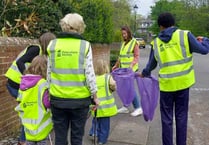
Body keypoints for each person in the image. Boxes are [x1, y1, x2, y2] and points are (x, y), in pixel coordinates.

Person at [139, 12, 209, 145]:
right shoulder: (184, 35)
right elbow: (204, 50)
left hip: (166, 87)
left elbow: (150, 66)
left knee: (166, 120)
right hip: (183, 85)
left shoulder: (156, 43)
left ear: (160, 26)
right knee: (181, 117)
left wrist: (143, 74)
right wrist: (205, 40)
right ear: (173, 23)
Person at [47, 13, 99, 145]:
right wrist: (95, 95)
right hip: (79, 101)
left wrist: (49, 93)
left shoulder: (52, 45)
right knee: (77, 137)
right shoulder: (85, 46)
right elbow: (89, 74)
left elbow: (49, 73)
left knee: (60, 137)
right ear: (80, 27)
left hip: (58, 99)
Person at [4, 32, 56, 145]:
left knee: (29, 111)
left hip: (24, 84)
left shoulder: (43, 54)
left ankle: (26, 139)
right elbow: (20, 62)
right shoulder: (35, 50)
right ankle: (25, 140)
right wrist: (27, 77)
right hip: (16, 84)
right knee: (29, 111)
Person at [15, 55, 52, 145]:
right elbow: (47, 103)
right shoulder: (42, 83)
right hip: (41, 123)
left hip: (27, 122)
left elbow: (19, 100)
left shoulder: (23, 82)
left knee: (29, 142)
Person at [112, 26, 142, 117]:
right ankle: (126, 106)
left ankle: (138, 108)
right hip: (123, 70)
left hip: (130, 70)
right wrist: (116, 65)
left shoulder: (134, 42)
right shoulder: (123, 43)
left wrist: (132, 64)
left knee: (130, 88)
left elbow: (136, 56)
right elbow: (120, 56)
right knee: (124, 89)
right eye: (122, 34)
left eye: (125, 33)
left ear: (129, 33)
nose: (123, 35)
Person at [89, 59, 117, 145]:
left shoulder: (93, 78)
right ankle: (101, 140)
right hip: (106, 108)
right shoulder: (107, 77)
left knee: (96, 121)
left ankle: (94, 133)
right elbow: (113, 85)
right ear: (105, 67)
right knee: (105, 126)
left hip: (96, 107)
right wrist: (112, 89)